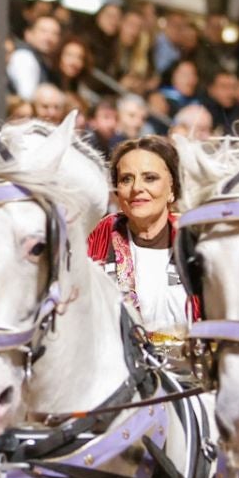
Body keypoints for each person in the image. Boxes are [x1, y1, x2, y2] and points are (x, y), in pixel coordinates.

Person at [87, 135, 190, 336]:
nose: (136, 188)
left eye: (150, 178)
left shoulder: (194, 242)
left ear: (173, 189)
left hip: (191, 363)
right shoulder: (96, 241)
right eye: (126, 179)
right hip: (119, 364)